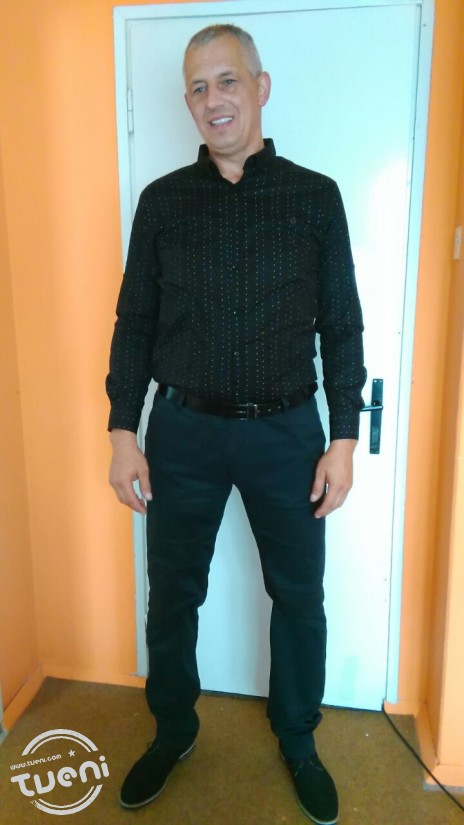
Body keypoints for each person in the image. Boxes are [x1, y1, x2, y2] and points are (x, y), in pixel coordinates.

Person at [106, 23, 366, 825]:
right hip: (182, 433)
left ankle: (298, 738)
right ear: (187, 102)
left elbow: (342, 324)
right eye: (197, 86)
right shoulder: (162, 204)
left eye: (227, 80)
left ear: (260, 87)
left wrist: (343, 439)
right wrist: (123, 431)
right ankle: (173, 728)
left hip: (287, 434)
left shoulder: (315, 198)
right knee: (171, 594)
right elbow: (135, 322)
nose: (212, 98)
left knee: (299, 595)